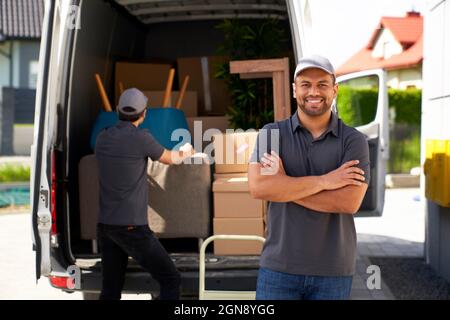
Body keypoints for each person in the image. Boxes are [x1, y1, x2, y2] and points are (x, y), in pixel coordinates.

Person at [248, 55, 370, 300]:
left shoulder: (353, 140)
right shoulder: (272, 134)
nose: (314, 91)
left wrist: (284, 185)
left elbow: (348, 202)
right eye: (305, 84)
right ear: (295, 90)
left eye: (322, 84)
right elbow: (259, 188)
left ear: (335, 90)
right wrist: (327, 181)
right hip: (278, 267)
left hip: (333, 270)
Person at [94, 88, 194, 300]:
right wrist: (187, 152)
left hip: (106, 226)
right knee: (170, 279)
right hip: (132, 228)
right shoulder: (141, 138)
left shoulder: (102, 138)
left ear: (118, 110)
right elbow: (169, 158)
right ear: (144, 113)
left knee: (110, 290)